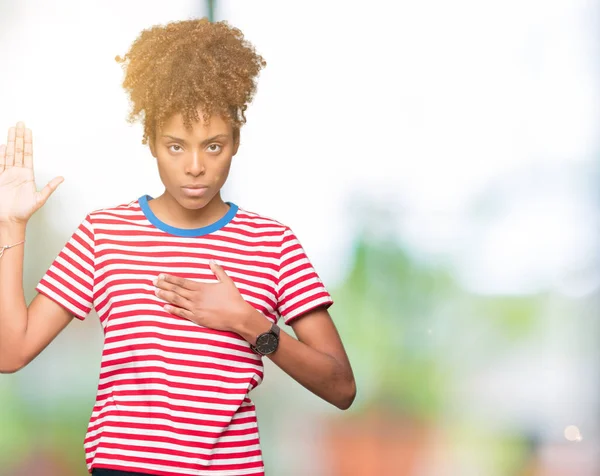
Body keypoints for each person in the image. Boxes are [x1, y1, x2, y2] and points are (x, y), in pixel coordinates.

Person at [0, 18, 355, 476]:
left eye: (213, 146)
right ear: (149, 140)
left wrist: (248, 322)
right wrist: (10, 226)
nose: (194, 167)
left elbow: (341, 387)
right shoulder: (102, 235)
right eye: (174, 146)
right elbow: (11, 353)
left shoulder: (274, 244)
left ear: (236, 142)